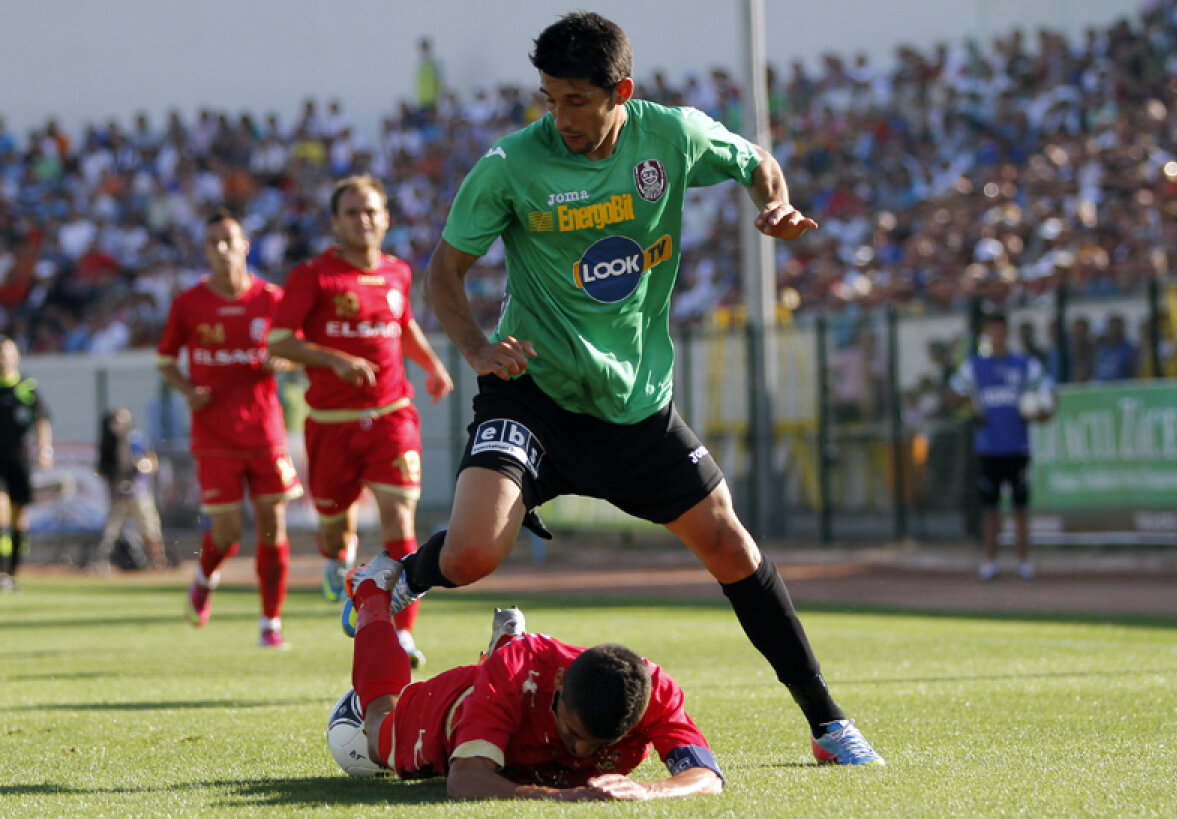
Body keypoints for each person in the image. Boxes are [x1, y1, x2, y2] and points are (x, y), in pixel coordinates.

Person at [352, 11, 882, 765]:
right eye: (547, 98)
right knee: (471, 554)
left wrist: (772, 201)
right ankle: (396, 576)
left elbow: (755, 159)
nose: (557, 116)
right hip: (531, 391)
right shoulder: (510, 165)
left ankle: (827, 722)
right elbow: (444, 270)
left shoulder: (671, 136)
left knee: (730, 544)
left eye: (574, 100)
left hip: (634, 406)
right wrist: (475, 347)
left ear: (619, 92)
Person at [268, 175, 453, 666]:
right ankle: (337, 558)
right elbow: (279, 341)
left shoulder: (397, 272)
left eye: (371, 211)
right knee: (334, 529)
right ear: (335, 222)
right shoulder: (314, 276)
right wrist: (334, 359)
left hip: (392, 414)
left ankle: (404, 632)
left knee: (399, 517)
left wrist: (431, 364)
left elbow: (403, 323)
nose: (363, 220)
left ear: (386, 218)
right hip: (331, 423)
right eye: (352, 212)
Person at [338, 586, 723, 800]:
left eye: (599, 744)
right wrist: (561, 799)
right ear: (558, 686)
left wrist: (647, 791)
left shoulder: (655, 691)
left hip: (514, 697)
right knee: (376, 734)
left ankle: (503, 642)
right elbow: (465, 780)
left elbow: (706, 776)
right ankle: (371, 594)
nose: (582, 754)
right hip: (463, 705)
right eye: (573, 733)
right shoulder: (518, 671)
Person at [157, 210, 303, 648]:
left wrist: (285, 361)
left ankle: (270, 624)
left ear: (245, 245)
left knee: (273, 527)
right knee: (227, 534)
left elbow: (298, 349)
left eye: (229, 240)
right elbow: (166, 360)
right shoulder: (189, 304)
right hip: (214, 433)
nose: (222, 249)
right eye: (213, 242)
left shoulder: (272, 299)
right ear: (205, 251)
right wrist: (187, 389)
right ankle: (205, 575)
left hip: (264, 430)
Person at [948, 309, 1055, 581]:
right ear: (986, 334)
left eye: (1000, 330)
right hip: (988, 447)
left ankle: (1023, 561)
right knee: (990, 508)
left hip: (1018, 446)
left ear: (1007, 332)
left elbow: (1050, 394)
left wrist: (1043, 414)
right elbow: (953, 393)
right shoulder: (976, 366)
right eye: (991, 331)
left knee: (1020, 507)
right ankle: (991, 561)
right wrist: (972, 406)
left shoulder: (1024, 364)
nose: (996, 336)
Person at [0, 336, 52, 591]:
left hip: (18, 457)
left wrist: (45, 450)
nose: (3, 359)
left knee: (19, 514)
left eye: (7, 354)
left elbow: (42, 419)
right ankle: (1, 568)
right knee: (0, 509)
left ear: (16, 357)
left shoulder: (27, 387)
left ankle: (13, 569)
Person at [90, 407, 167, 572]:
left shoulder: (138, 439)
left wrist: (144, 465)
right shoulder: (108, 443)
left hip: (138, 491)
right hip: (118, 493)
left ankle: (158, 561)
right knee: (111, 531)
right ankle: (101, 562)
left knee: (149, 528)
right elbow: (102, 469)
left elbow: (152, 462)